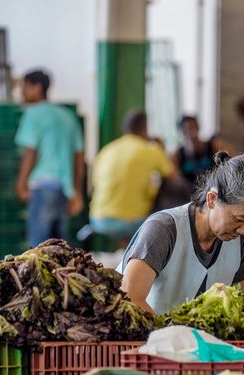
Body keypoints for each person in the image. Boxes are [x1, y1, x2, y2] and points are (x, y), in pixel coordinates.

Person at [117, 152, 244, 315]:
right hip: (142, 339)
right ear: (212, 199)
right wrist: (172, 335)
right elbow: (130, 299)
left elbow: (236, 309)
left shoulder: (243, 242)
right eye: (240, 218)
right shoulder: (163, 230)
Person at [14, 70, 84, 247]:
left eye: (24, 88)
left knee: (38, 250)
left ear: (37, 88)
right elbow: (78, 156)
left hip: (42, 187)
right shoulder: (67, 116)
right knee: (60, 249)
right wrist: (76, 190)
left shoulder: (32, 115)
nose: (21, 93)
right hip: (63, 189)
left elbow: (30, 153)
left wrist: (21, 184)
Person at [89, 110, 176, 246]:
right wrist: (162, 148)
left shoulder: (107, 150)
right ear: (145, 129)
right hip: (132, 221)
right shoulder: (150, 150)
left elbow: (94, 186)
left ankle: (124, 253)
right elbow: (174, 177)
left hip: (99, 219)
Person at [174, 115, 235, 189]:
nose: (190, 132)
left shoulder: (213, 145)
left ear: (198, 127)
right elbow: (176, 178)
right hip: (190, 193)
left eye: (192, 127)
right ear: (182, 132)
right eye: (186, 129)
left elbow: (236, 159)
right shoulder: (178, 154)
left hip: (214, 189)